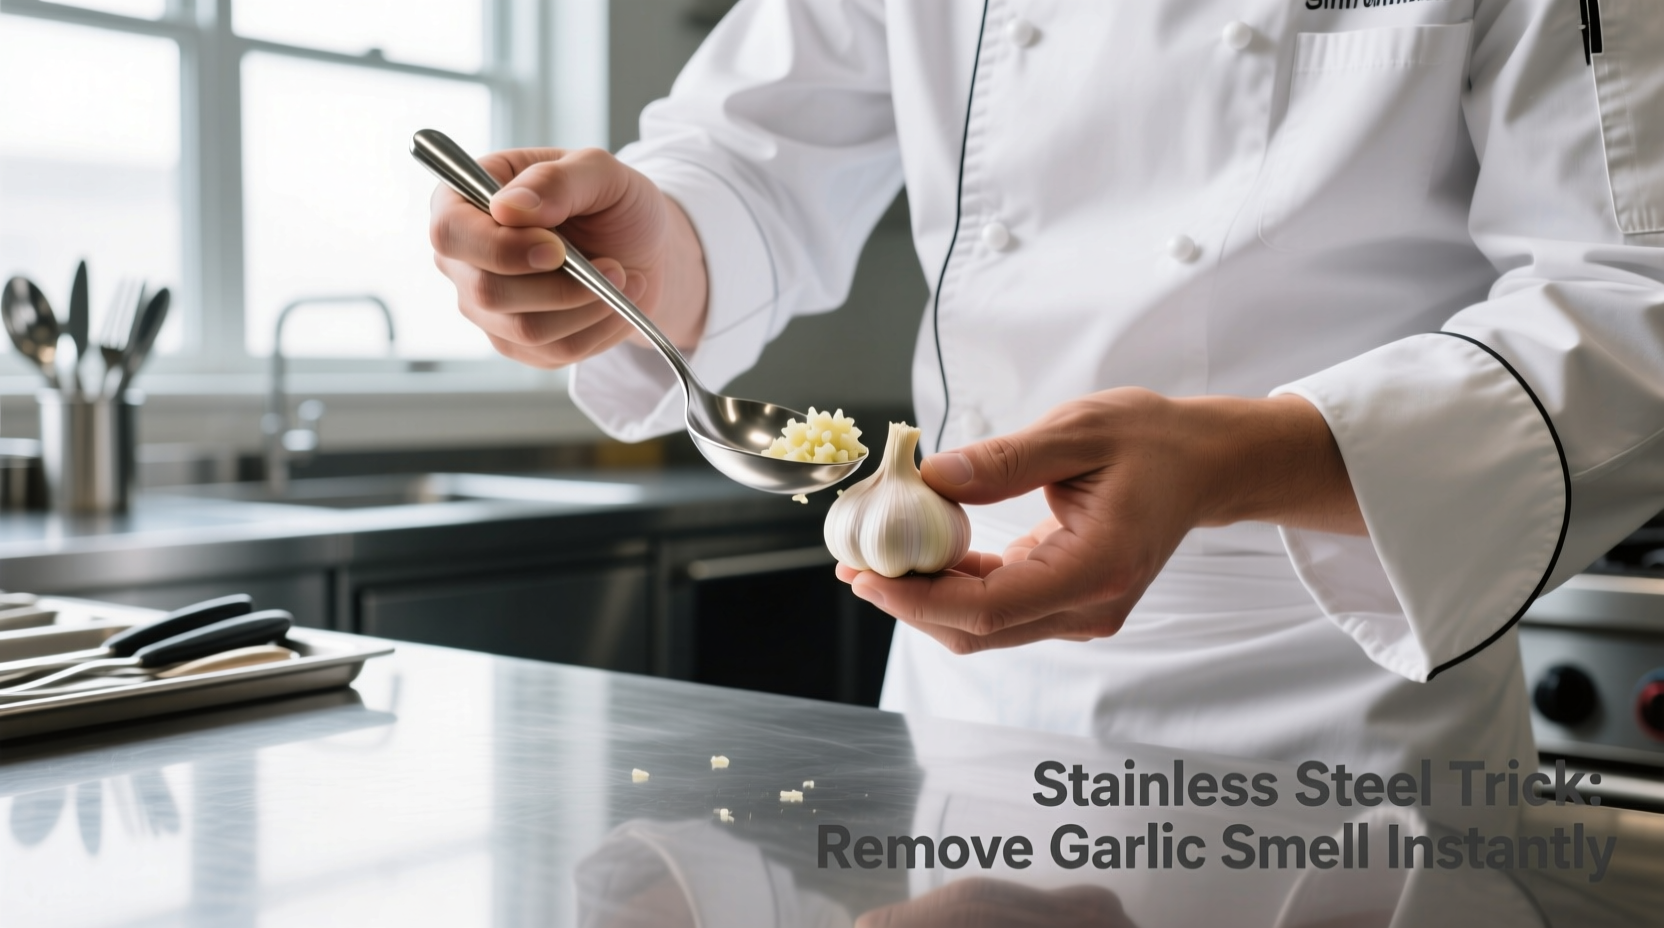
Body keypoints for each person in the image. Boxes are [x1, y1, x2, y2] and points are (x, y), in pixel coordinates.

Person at [429, 2, 1664, 780]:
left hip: (1337, 704)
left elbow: (1627, 299)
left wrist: (1236, 461)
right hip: (967, 701)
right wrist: (645, 250)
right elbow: (752, 154)